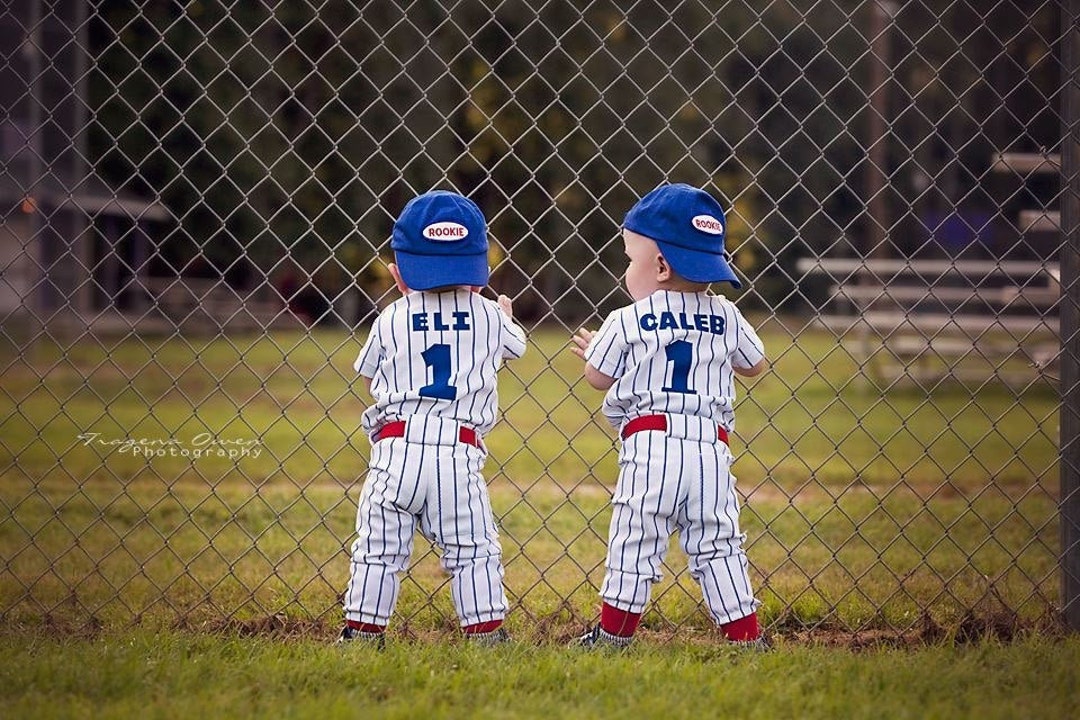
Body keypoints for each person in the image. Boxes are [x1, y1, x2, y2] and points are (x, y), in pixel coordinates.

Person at [570, 183, 769, 649]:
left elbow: (597, 378)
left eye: (630, 258)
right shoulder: (727, 314)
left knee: (635, 540)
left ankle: (614, 635)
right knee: (718, 544)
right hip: (709, 449)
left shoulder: (626, 319)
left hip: (650, 447)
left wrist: (596, 351)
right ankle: (745, 638)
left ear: (659, 266)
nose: (627, 269)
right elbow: (755, 365)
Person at [340, 190, 526, 647]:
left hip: (395, 451)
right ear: (480, 275)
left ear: (398, 275)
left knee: (378, 551)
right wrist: (501, 315)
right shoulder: (487, 314)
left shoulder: (390, 317)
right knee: (473, 550)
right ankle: (485, 632)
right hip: (458, 456)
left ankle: (363, 631)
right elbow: (516, 348)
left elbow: (369, 379)